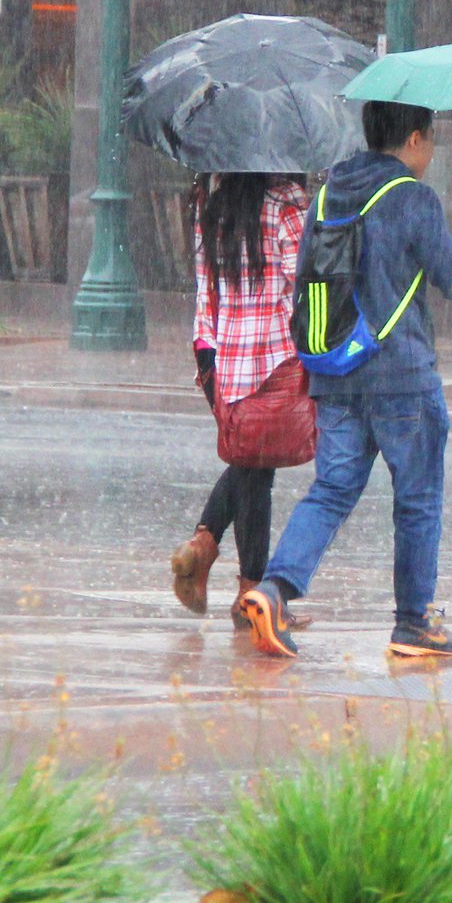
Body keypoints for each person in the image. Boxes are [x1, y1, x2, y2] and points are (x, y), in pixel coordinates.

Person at [239, 101, 452, 660]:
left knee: (330, 491)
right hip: (402, 375)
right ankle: (413, 623)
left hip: (336, 372)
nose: (429, 152)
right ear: (412, 139)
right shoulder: (411, 196)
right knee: (418, 500)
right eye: (428, 140)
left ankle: (274, 590)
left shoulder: (329, 194)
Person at [170, 172, 312, 622]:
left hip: (217, 356)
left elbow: (204, 282)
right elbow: (306, 276)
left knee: (250, 464)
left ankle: (205, 547)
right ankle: (254, 597)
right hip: (271, 359)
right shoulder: (286, 203)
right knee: (255, 471)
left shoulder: (210, 205)